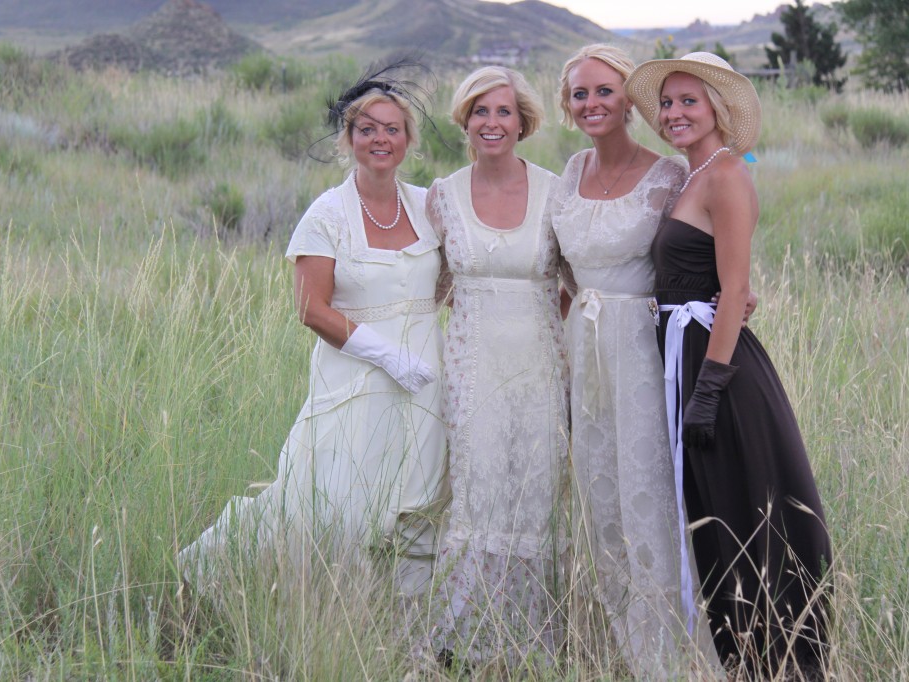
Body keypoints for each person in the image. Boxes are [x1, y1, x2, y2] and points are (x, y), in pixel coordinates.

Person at [177, 68, 448, 599]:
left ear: (409, 140)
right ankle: (217, 579)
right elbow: (310, 308)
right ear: (348, 140)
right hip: (355, 378)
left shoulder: (428, 205)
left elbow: (449, 279)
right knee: (329, 500)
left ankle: (402, 624)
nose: (380, 140)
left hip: (425, 379)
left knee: (416, 501)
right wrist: (386, 353)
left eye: (392, 129)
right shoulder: (327, 214)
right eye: (366, 129)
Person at [626, 52, 832, 678]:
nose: (675, 113)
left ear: (717, 108)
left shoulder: (728, 175)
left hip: (715, 366)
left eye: (690, 101)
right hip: (681, 353)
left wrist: (710, 391)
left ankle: (780, 657)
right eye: (667, 102)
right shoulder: (691, 175)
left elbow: (736, 290)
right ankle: (736, 656)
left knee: (744, 504)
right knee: (710, 509)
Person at [549, 44, 719, 678]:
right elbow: (560, 267)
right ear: (568, 105)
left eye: (603, 91)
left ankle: (673, 653)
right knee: (602, 500)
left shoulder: (668, 175)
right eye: (579, 94)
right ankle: (626, 645)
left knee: (649, 495)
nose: (591, 104)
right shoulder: (568, 171)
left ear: (628, 99)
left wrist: (733, 290)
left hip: (642, 352)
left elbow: (693, 256)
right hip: (582, 350)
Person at [425, 65, 571, 668]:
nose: (492, 123)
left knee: (534, 494)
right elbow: (428, 286)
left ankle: (531, 643)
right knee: (476, 494)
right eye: (480, 111)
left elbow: (578, 280)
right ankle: (459, 642)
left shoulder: (557, 191)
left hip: (539, 367)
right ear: (464, 119)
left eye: (503, 112)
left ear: (524, 121)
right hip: (470, 368)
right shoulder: (442, 194)